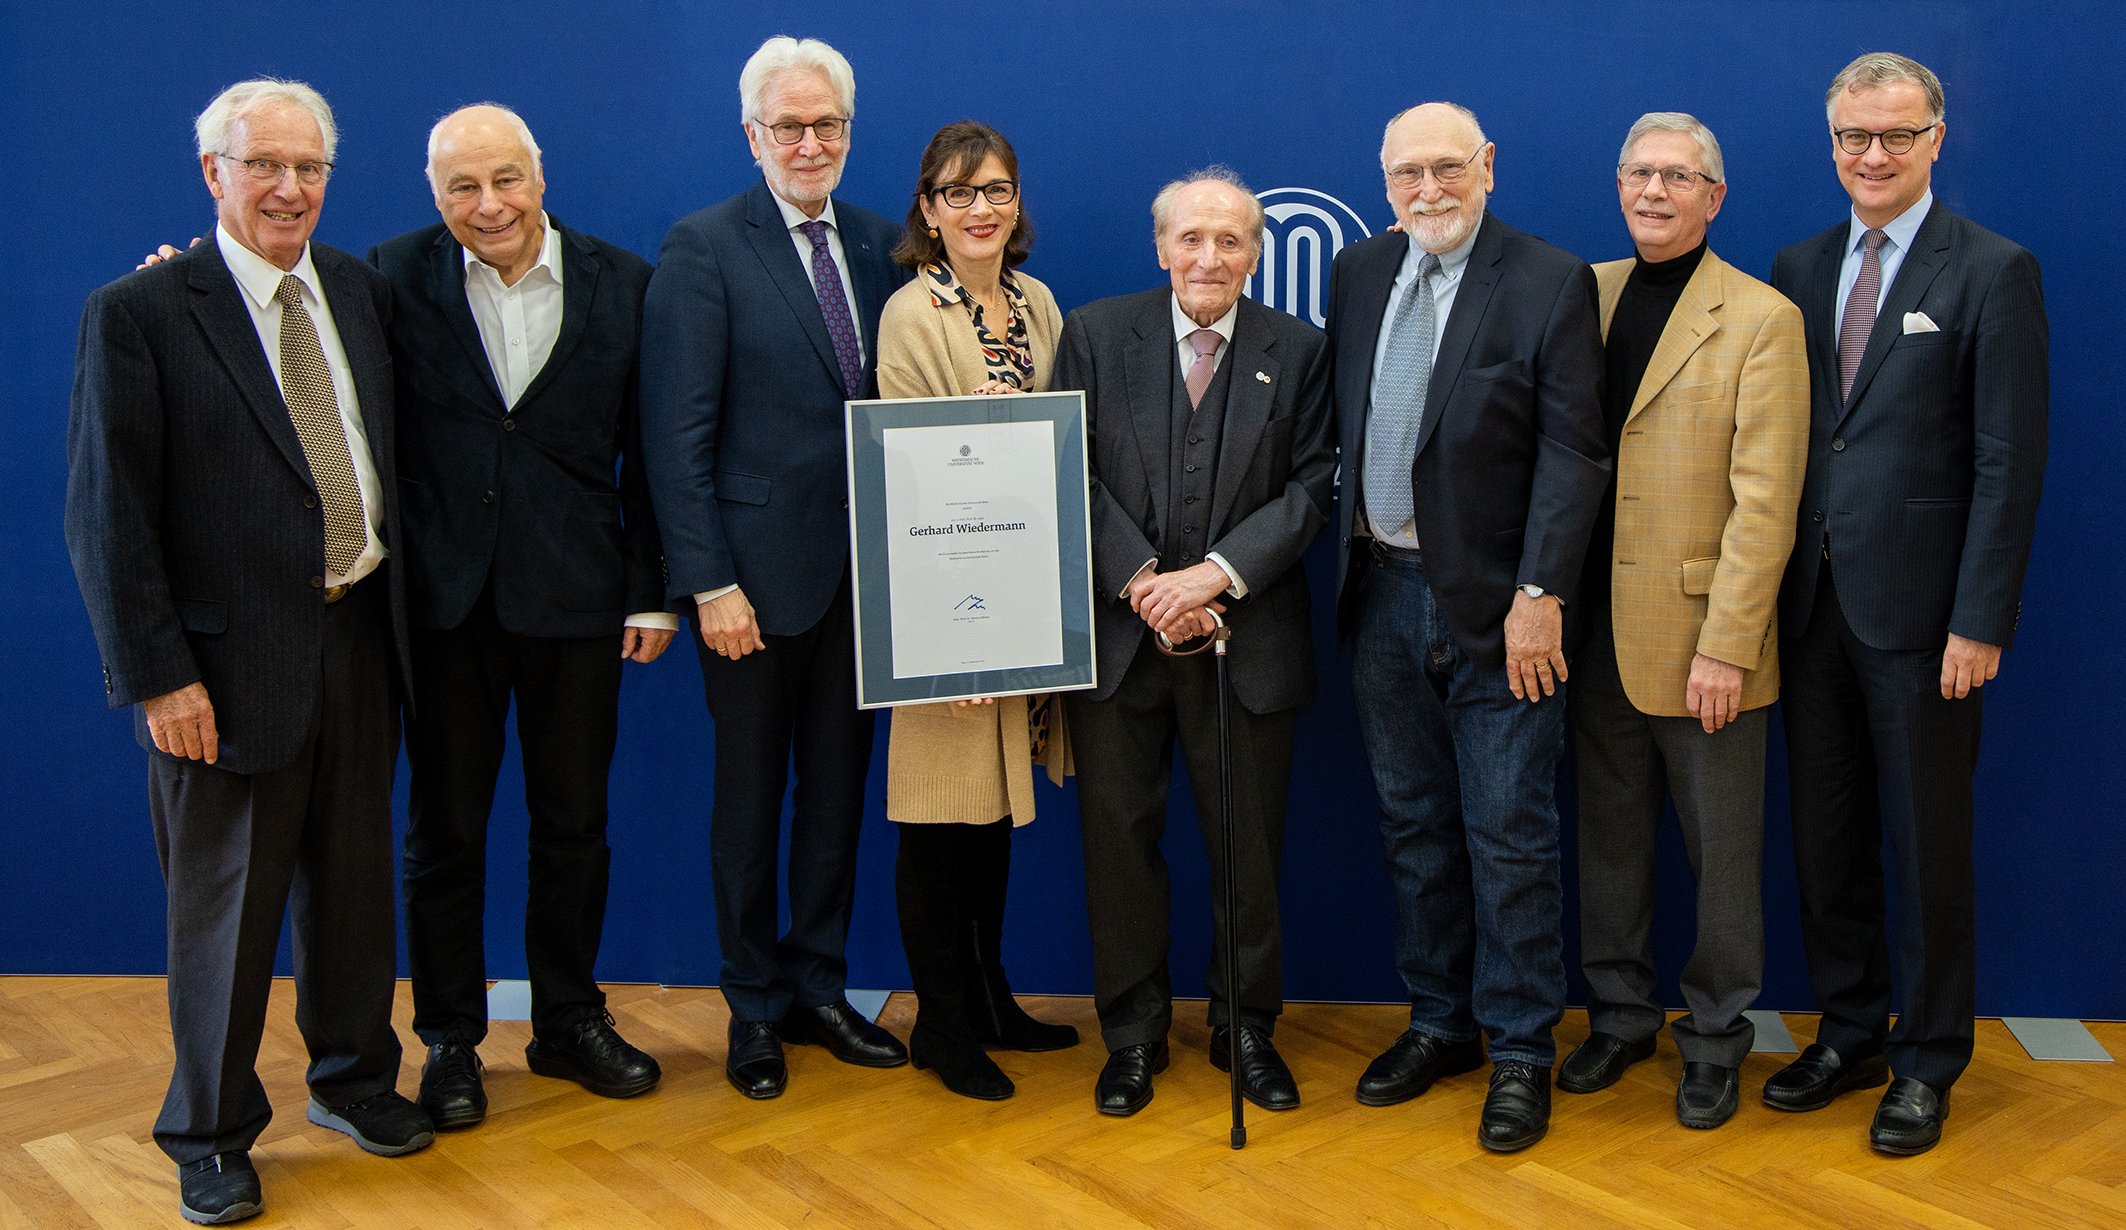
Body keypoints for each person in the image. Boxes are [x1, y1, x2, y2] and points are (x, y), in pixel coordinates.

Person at [64, 78, 431, 1225]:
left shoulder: (359, 292)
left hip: (360, 637)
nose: (288, 187)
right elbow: (107, 515)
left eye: (308, 167)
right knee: (224, 917)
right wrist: (159, 677)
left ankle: (354, 1081)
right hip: (219, 675)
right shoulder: (142, 311)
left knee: (355, 891)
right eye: (262, 164)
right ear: (212, 173)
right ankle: (210, 1133)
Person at [368, 104, 672, 1130]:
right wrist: (180, 274)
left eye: (505, 179)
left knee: (574, 826)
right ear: (435, 195)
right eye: (462, 186)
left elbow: (648, 453)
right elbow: (282, 324)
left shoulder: (625, 282)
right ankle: (449, 1041)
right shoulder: (386, 277)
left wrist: (650, 588)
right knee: (444, 833)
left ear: (540, 179)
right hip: (444, 606)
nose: (488, 203)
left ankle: (568, 1020)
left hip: (579, 598)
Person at [1766, 52, 2047, 1155]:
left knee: (1925, 848)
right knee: (1824, 839)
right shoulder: (1797, 267)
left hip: (1927, 622)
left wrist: (1979, 619)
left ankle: (1927, 1061)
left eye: (1894, 135)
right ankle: (1848, 1035)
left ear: (1936, 138)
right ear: (1830, 141)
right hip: (1808, 609)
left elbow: (2007, 463)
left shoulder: (1992, 269)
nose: (1871, 156)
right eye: (1853, 136)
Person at [1326, 102, 1607, 1152]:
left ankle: (1521, 1049)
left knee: (1509, 834)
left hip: (1500, 610)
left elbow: (1574, 452)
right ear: (1384, 182)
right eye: (1408, 173)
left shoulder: (1547, 279)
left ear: (1488, 165)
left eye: (1448, 167)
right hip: (1379, 594)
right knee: (1414, 829)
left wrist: (1540, 594)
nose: (1429, 189)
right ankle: (1440, 1024)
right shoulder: (1358, 271)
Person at [640, 35, 911, 1099]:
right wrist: (708, 584)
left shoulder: (885, 243)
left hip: (862, 585)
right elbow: (675, 438)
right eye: (788, 127)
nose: (809, 144)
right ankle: (752, 1008)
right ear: (751, 135)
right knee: (749, 808)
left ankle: (817, 988)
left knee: (837, 801)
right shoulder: (704, 247)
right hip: (748, 591)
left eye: (826, 125)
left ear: (848, 132)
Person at [1054, 166, 1334, 1118]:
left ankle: (1245, 1028)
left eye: (1230, 241)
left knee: (1246, 851)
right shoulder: (1096, 335)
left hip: (1246, 646)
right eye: (1191, 238)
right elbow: (1069, 468)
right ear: (1161, 247)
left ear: (1254, 253)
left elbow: (1312, 489)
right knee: (1119, 848)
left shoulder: (1300, 350)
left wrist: (1213, 577)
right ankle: (1132, 1035)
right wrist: (1143, 582)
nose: (1209, 257)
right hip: (1120, 642)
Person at [1560, 112, 1807, 1129]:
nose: (1654, 191)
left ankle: (1713, 1038)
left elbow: (1767, 503)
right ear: (1618, 185)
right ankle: (1619, 1017)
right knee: (1609, 844)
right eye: (1639, 173)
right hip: (1590, 636)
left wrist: (1728, 646)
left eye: (1677, 175)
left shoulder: (1762, 318)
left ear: (1714, 195)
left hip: (1705, 641)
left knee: (1722, 860)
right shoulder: (1581, 293)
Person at [873, 120, 1078, 1101]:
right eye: (958, 193)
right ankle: (941, 1024)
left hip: (1021, 600)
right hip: (943, 603)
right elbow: (906, 473)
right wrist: (948, 641)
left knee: (990, 810)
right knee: (936, 820)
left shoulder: (1038, 304)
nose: (980, 209)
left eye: (995, 189)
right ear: (928, 210)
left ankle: (989, 996)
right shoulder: (912, 313)